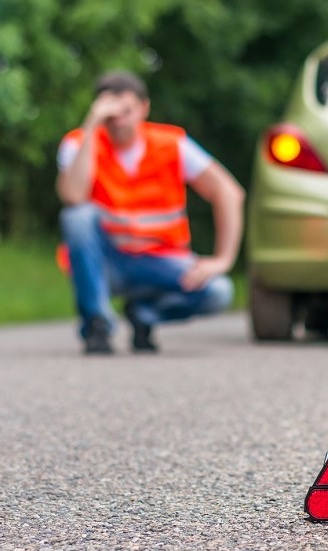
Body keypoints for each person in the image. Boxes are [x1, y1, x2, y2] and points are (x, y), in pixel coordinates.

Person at [56, 70, 245, 355]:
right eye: (110, 110)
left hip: (161, 263)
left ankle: (143, 315)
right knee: (77, 217)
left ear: (144, 108)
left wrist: (222, 260)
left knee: (219, 291)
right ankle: (97, 324)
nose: (118, 118)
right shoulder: (79, 142)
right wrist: (92, 125)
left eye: (126, 109)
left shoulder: (171, 144)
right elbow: (73, 196)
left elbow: (229, 193)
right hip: (108, 265)